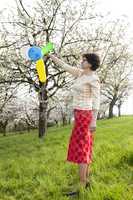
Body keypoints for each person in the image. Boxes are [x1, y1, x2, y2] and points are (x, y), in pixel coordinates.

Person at [49, 52, 100, 196]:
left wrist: (94, 121)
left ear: (90, 63)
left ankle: (82, 186)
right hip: (79, 115)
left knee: (82, 149)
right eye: (82, 59)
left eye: (84, 60)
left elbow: (96, 101)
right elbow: (64, 65)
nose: (81, 62)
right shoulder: (80, 73)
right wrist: (50, 56)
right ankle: (86, 181)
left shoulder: (93, 79)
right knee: (84, 148)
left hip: (86, 116)